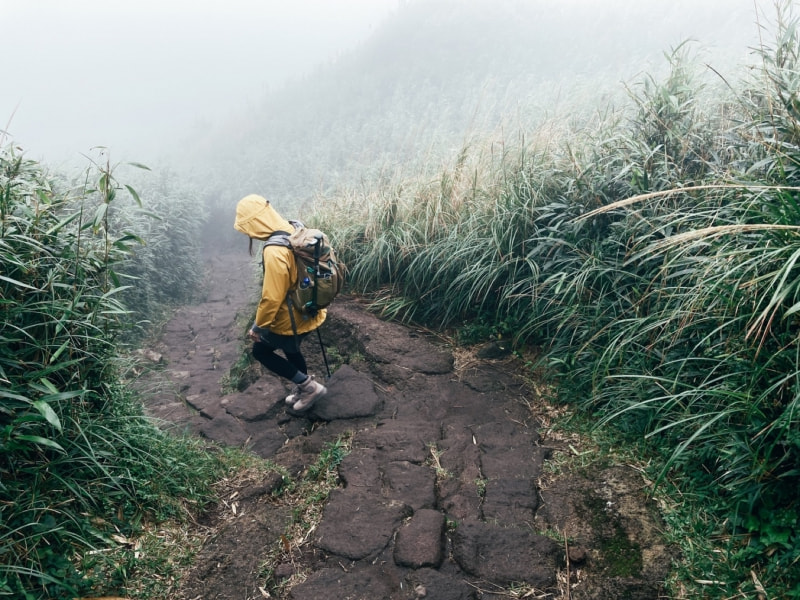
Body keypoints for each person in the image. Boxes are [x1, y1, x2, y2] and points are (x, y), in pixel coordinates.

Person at [233, 194, 327, 412]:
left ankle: (309, 387)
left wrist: (259, 327)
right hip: (310, 308)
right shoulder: (294, 228)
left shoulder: (274, 250)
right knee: (291, 349)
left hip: (290, 318)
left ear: (253, 223)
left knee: (261, 351)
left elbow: (272, 297)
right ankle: (302, 385)